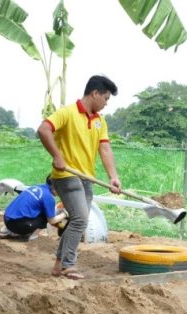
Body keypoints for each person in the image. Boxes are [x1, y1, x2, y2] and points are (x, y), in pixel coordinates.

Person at [37, 75, 122, 280]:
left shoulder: (100, 121)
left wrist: (113, 177)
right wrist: (57, 156)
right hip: (66, 175)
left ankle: (58, 265)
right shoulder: (67, 113)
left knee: (78, 221)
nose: (106, 103)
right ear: (95, 93)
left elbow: (105, 148)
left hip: (86, 178)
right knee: (80, 219)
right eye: (106, 98)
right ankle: (69, 265)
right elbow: (43, 129)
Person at [0, 176, 68, 241]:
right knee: (48, 218)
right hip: (18, 224)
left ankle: (6, 230)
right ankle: (24, 234)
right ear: (55, 186)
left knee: (44, 211)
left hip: (7, 218)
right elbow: (52, 221)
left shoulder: (37, 186)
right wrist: (65, 214)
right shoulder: (48, 197)